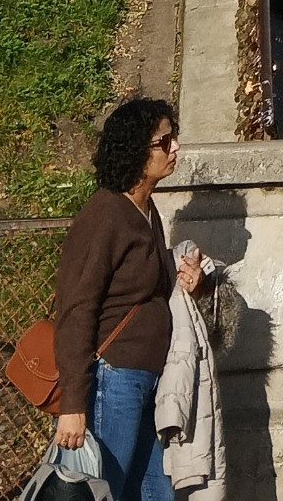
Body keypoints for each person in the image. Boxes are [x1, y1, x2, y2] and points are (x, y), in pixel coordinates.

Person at [52, 97, 209, 501]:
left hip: (149, 381)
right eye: (164, 141)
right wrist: (73, 402)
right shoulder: (105, 215)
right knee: (106, 492)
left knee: (157, 492)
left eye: (174, 138)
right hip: (115, 380)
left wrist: (193, 280)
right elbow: (76, 307)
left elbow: (146, 286)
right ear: (136, 150)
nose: (175, 148)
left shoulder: (146, 210)